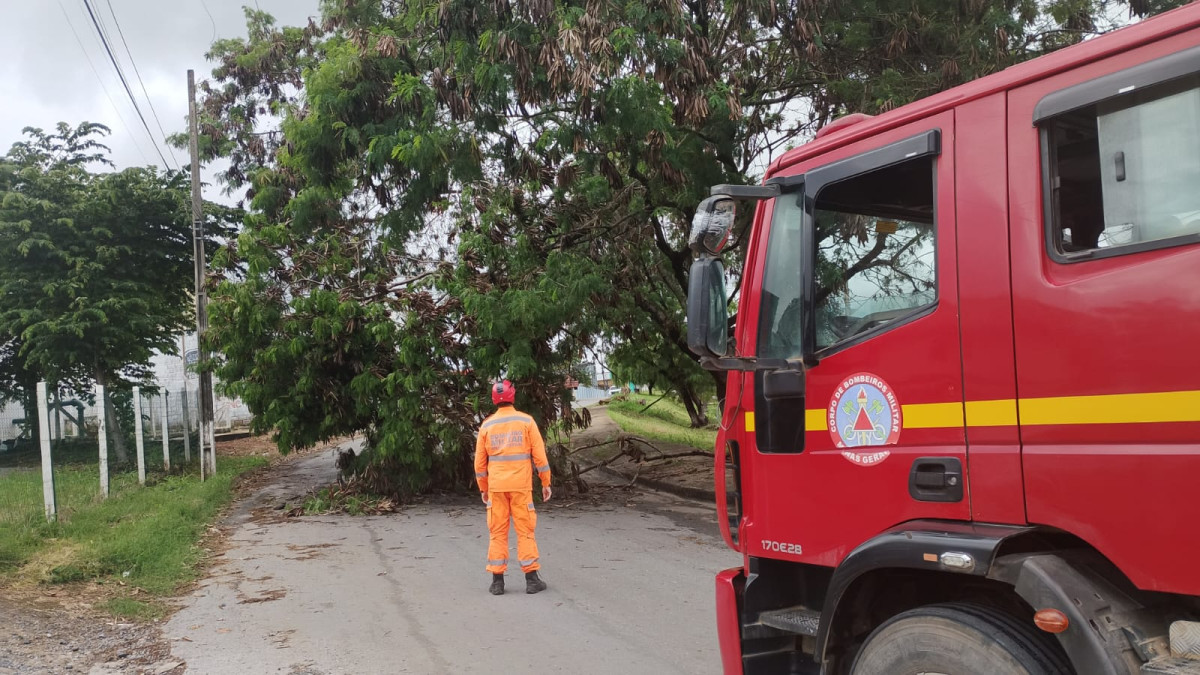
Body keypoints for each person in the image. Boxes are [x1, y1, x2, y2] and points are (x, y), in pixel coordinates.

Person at [474, 379, 552, 595]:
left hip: (497, 488)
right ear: (513, 397)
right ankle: (531, 580)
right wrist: (546, 482)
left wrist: (484, 488)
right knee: (525, 531)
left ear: (494, 399)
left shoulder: (487, 426)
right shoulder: (526, 421)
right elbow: (540, 456)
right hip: (521, 487)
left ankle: (497, 582)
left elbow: (479, 464)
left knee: (497, 532)